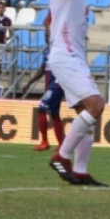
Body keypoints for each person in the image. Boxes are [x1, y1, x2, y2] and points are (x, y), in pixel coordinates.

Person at [45, 0, 108, 186]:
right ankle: (61, 155)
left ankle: (80, 172)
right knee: (96, 105)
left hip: (74, 58)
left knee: (87, 112)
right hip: (64, 57)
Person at [34, 23, 68, 153]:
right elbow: (43, 69)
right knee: (54, 114)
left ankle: (44, 142)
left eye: (49, 35)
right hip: (50, 85)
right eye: (46, 35)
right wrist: (29, 82)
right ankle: (62, 144)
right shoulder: (47, 51)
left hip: (57, 84)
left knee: (42, 108)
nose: (47, 37)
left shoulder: (61, 50)